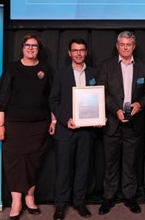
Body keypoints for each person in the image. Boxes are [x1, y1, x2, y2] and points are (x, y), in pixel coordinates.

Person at [0, 34, 54, 220]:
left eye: (34, 46)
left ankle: (30, 197)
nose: (30, 48)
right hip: (15, 126)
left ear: (39, 49)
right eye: (27, 45)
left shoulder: (46, 69)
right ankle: (16, 201)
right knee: (14, 163)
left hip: (39, 126)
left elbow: (53, 99)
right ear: (22, 48)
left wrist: (54, 120)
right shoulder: (12, 69)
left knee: (34, 162)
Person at [97, 31, 145, 215]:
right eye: (122, 44)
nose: (125, 47)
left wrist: (139, 104)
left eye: (129, 44)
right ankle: (108, 197)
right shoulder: (106, 66)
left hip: (134, 124)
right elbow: (102, 92)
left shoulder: (143, 67)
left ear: (134, 46)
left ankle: (130, 197)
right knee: (110, 164)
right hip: (112, 123)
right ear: (117, 46)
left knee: (130, 163)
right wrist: (116, 110)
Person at [49, 38, 100, 220]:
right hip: (66, 130)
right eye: (75, 50)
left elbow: (99, 98)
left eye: (82, 50)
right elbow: (53, 101)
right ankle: (60, 205)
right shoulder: (60, 74)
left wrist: (98, 117)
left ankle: (79, 202)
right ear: (69, 53)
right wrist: (66, 119)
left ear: (86, 52)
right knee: (63, 170)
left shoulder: (94, 73)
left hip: (86, 132)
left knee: (83, 169)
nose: (79, 53)